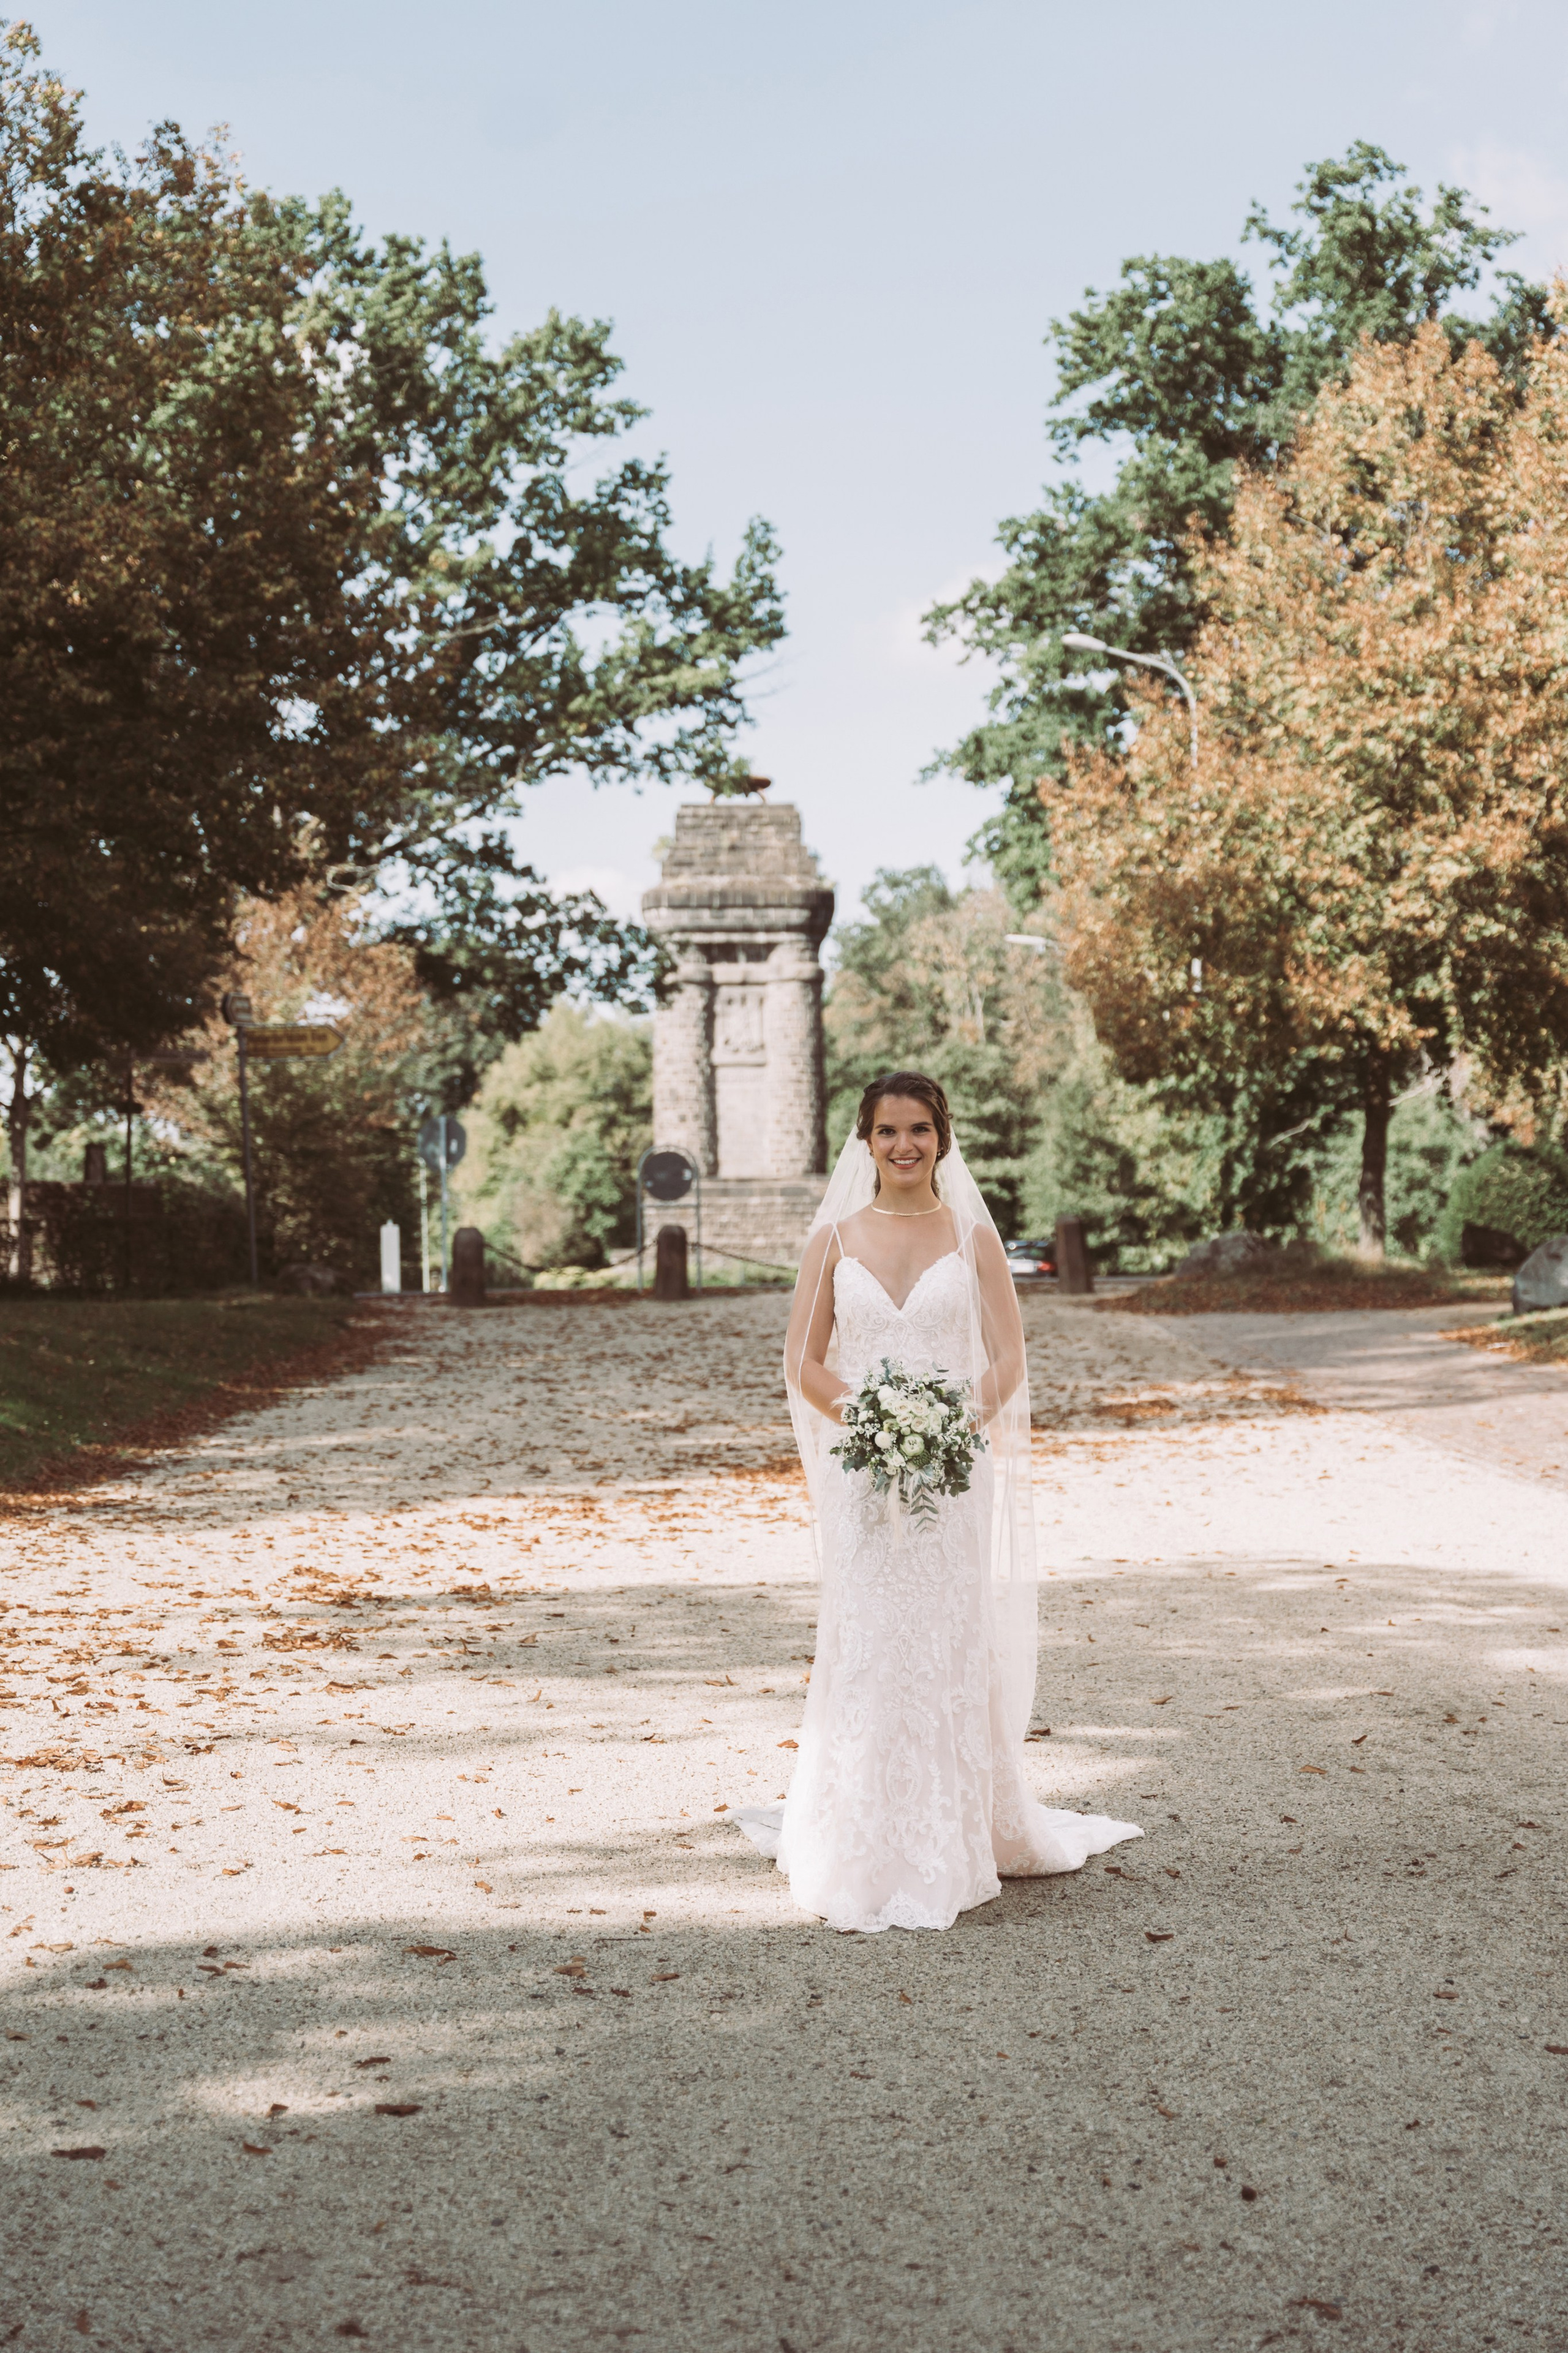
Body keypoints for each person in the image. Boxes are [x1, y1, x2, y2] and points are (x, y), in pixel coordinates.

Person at [731, 1070, 1142, 1933]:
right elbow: (803, 1363)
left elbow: (1008, 1357)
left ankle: (954, 1832)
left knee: (946, 1634)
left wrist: (950, 1424)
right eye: (888, 1131)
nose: (905, 1145)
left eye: (920, 1129)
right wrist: (875, 1423)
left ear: (942, 1137)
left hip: (952, 1474)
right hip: (866, 1472)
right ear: (866, 1141)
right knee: (873, 1638)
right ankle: (863, 1833)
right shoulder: (834, 1242)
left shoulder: (972, 1238)